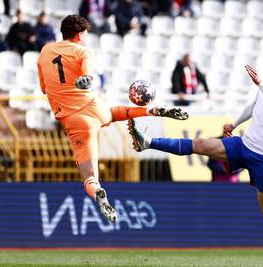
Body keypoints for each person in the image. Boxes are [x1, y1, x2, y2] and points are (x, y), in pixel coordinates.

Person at [128, 46, 263, 267]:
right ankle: (147, 142)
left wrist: (260, 84)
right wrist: (235, 123)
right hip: (245, 144)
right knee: (200, 144)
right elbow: (255, 105)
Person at [37, 15, 188, 223]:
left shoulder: (45, 51)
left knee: (89, 175)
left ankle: (97, 190)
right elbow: (89, 74)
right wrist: (87, 80)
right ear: (80, 34)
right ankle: (149, 111)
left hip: (75, 120)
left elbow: (44, 88)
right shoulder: (83, 50)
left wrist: (76, 83)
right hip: (94, 105)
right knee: (113, 113)